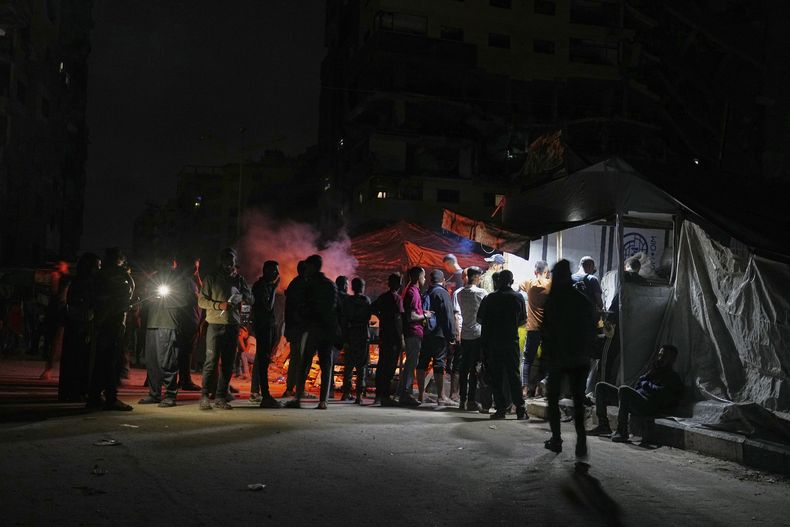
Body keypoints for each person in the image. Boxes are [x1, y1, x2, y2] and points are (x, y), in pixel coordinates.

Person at [541, 259, 597, 456]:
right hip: (579, 358)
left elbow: (546, 333)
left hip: (558, 358)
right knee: (578, 400)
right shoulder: (581, 299)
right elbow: (593, 326)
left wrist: (543, 362)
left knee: (553, 400)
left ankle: (556, 439)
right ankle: (581, 441)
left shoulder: (552, 301)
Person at [588, 345, 683, 441]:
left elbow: (659, 393)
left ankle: (622, 431)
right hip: (637, 402)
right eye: (660, 355)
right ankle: (603, 425)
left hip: (649, 407)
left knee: (624, 389)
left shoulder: (673, 377)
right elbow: (638, 386)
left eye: (665, 356)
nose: (660, 358)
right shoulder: (654, 371)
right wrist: (648, 375)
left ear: (672, 359)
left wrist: (646, 383)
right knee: (601, 386)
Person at [197, 248, 253, 410]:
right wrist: (218, 305)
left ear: (235, 262)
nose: (229, 264)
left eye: (232, 261)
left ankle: (221, 396)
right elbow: (201, 302)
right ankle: (205, 396)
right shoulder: (211, 278)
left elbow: (250, 300)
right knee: (211, 361)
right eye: (226, 261)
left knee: (229, 363)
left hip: (232, 326)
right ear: (220, 262)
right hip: (214, 324)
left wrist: (243, 297)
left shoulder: (240, 280)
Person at [138, 256, 191, 408]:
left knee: (168, 361)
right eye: (160, 262)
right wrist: (150, 297)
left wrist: (164, 298)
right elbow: (144, 297)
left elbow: (184, 301)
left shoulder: (180, 279)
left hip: (168, 324)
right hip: (152, 323)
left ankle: (170, 395)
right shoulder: (153, 278)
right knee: (152, 361)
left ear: (173, 264)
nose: (162, 265)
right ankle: (154, 394)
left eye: (166, 262)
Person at [286, 254, 338, 410]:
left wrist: (302, 317)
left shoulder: (310, 285)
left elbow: (304, 307)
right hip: (327, 330)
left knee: (304, 363)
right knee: (326, 365)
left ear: (313, 267)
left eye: (308, 266)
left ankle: (297, 399)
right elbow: (334, 308)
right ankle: (323, 401)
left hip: (314, 329)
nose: (305, 269)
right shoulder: (331, 285)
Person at [87, 247, 135, 411]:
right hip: (112, 322)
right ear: (119, 259)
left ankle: (95, 396)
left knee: (102, 361)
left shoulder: (101, 275)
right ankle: (110, 398)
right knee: (110, 362)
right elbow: (122, 297)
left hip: (104, 321)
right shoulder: (117, 276)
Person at [476, 270, 527, 420]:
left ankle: (500, 410)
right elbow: (523, 321)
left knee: (496, 376)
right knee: (514, 376)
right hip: (511, 342)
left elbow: (479, 319)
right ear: (511, 281)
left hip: (494, 343)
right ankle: (520, 409)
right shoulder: (518, 297)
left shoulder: (490, 298)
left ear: (498, 281)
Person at [58, 253, 101, 402]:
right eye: (97, 266)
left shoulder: (75, 281)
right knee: (81, 360)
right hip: (81, 323)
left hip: (74, 323)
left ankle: (69, 392)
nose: (99, 269)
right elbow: (87, 305)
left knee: (72, 359)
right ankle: (78, 391)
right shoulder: (87, 283)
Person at [416, 269, 456, 405]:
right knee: (439, 363)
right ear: (443, 280)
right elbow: (448, 316)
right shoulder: (443, 293)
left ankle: (421, 395)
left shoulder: (426, 292)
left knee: (422, 362)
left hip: (426, 333)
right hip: (439, 334)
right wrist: (452, 335)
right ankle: (441, 396)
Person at [250, 260, 282, 408]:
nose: (277, 274)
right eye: (274, 270)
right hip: (263, 327)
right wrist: (274, 289)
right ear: (266, 271)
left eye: (277, 271)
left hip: (268, 327)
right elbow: (267, 307)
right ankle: (265, 395)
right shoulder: (260, 286)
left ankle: (264, 394)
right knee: (262, 361)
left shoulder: (266, 286)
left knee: (264, 360)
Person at [456, 266, 487, 411]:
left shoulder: (459, 294)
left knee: (464, 368)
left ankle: (462, 400)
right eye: (479, 277)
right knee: (474, 368)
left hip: (465, 335)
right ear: (475, 277)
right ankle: (471, 400)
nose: (480, 280)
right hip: (477, 335)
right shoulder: (482, 293)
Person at [371, 273, 404, 406]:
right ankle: (385, 396)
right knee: (390, 367)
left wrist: (381, 317)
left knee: (381, 366)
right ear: (397, 284)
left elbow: (372, 308)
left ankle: (378, 395)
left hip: (384, 336)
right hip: (393, 338)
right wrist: (401, 337)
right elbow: (398, 319)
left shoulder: (383, 297)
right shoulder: (397, 298)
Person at [519, 260, 551, 397]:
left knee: (527, 360)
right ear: (546, 272)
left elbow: (517, 287)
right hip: (547, 329)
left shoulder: (528, 283)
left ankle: (524, 389)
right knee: (547, 359)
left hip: (532, 328)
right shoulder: (550, 284)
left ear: (535, 271)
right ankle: (540, 387)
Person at [399, 266, 428, 406]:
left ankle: (404, 392)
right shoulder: (412, 292)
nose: (425, 279)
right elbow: (411, 316)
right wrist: (425, 315)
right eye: (423, 276)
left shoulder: (412, 290)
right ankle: (406, 394)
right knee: (411, 364)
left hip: (413, 332)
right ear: (418, 278)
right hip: (413, 332)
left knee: (410, 364)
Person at [340, 277, 372, 404]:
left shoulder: (348, 301)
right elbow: (368, 317)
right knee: (361, 367)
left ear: (352, 288)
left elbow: (344, 319)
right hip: (362, 335)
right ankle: (359, 395)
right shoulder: (366, 300)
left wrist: (345, 337)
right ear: (362, 288)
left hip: (351, 335)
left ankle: (346, 393)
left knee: (348, 366)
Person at [282, 260, 307, 397]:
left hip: (295, 328)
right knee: (300, 358)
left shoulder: (294, 284)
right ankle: (295, 389)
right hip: (299, 328)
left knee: (296, 358)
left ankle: (292, 388)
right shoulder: (300, 285)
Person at [178, 256, 203, 391]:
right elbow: (200, 299)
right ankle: (185, 381)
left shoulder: (189, 281)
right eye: (195, 267)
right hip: (188, 321)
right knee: (186, 352)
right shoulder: (187, 282)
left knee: (185, 352)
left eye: (197, 267)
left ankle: (183, 379)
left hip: (191, 320)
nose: (196, 269)